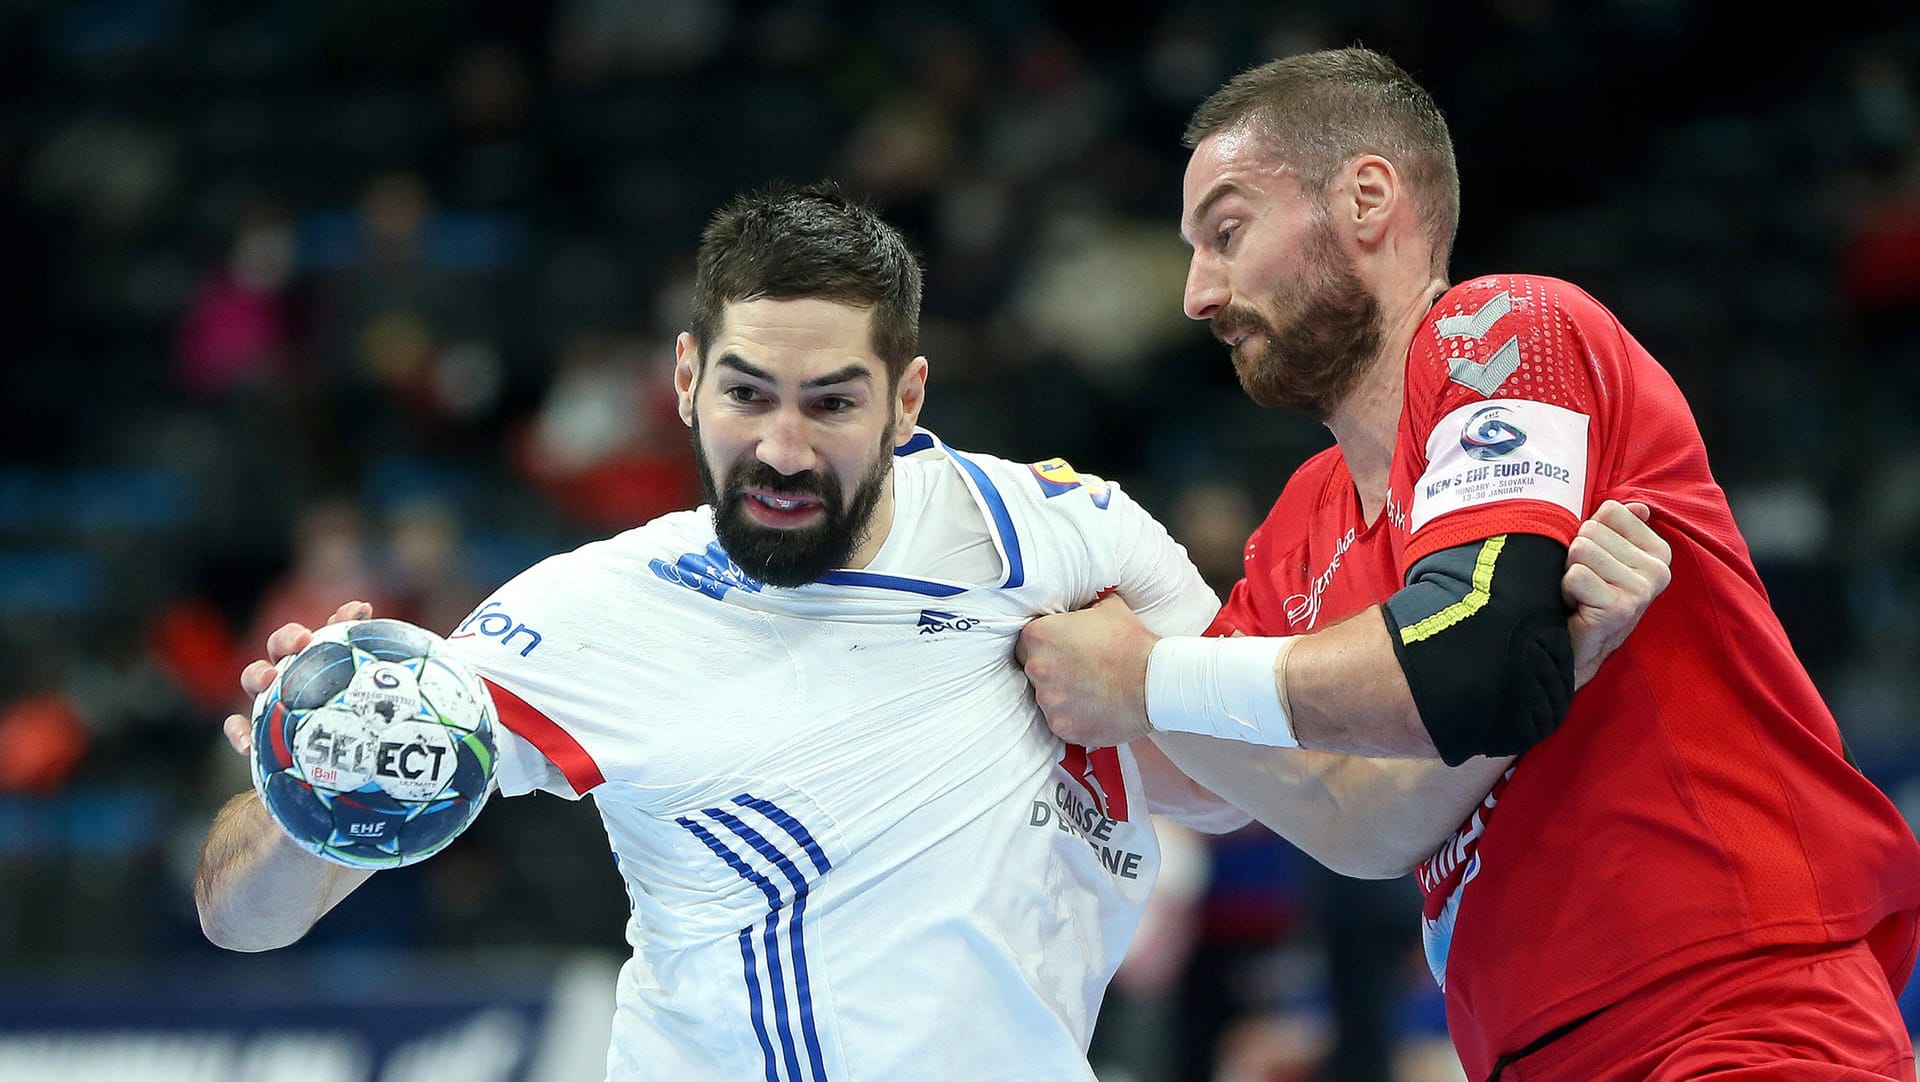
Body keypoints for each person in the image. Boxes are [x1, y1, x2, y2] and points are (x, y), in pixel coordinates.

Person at [195, 182, 1666, 1081]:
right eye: (748, 392)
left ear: (905, 400)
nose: (781, 443)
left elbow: (1298, 798)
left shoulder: (1062, 536)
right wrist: (312, 772)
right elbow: (246, 916)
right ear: (689, 377)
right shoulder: (586, 615)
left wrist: (1549, 655)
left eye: (831, 401)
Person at [1016, 47, 1920, 1081]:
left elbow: (1465, 660)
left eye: (1227, 233)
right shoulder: (1297, 526)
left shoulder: (1505, 328)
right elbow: (1328, 813)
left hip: (1732, 1011)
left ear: (1365, 199)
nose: (1196, 293)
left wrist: (1139, 676)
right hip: (1528, 1050)